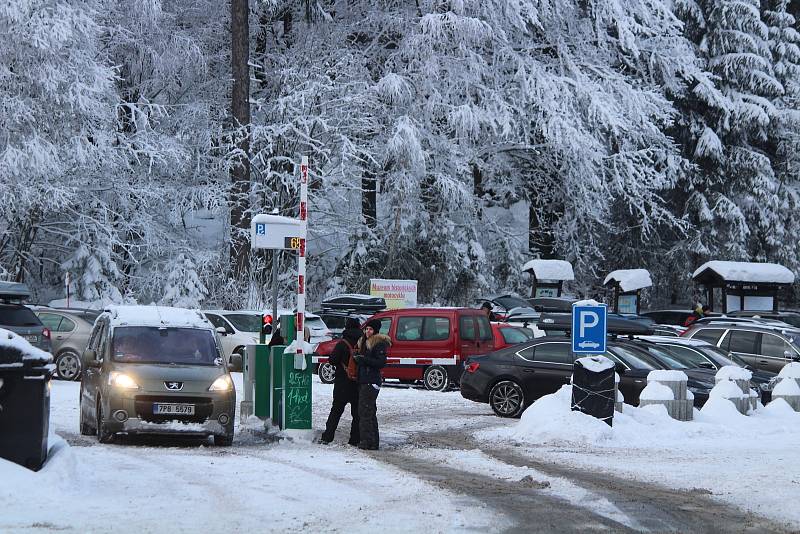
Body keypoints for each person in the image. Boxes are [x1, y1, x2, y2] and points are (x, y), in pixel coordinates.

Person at [320, 318, 362, 445]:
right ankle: (355, 439)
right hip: (357, 383)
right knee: (357, 414)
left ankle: (328, 436)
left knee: (336, 411)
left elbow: (332, 360)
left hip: (342, 383)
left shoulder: (342, 343)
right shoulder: (362, 342)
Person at [353, 318, 390, 450]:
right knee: (369, 412)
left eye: (370, 329)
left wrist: (364, 360)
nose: (367, 331)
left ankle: (367, 442)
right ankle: (372, 441)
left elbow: (380, 363)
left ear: (375, 331)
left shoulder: (378, 343)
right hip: (365, 380)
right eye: (366, 329)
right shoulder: (364, 343)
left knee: (365, 412)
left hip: (371, 381)